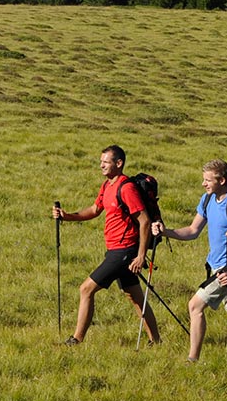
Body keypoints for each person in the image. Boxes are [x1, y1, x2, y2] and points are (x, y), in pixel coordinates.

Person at [151, 159, 227, 361]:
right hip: (216, 266)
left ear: (221, 180)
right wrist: (165, 232)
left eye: (207, 180)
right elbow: (193, 231)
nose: (203, 184)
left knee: (194, 306)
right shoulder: (207, 199)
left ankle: (192, 360)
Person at [51, 145, 160, 345]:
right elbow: (94, 209)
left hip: (124, 250)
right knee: (134, 296)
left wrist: (141, 255)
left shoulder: (126, 188)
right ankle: (156, 341)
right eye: (101, 161)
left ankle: (76, 339)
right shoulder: (107, 185)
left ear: (119, 163)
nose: (101, 165)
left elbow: (144, 221)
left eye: (106, 162)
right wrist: (67, 216)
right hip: (114, 249)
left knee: (86, 289)